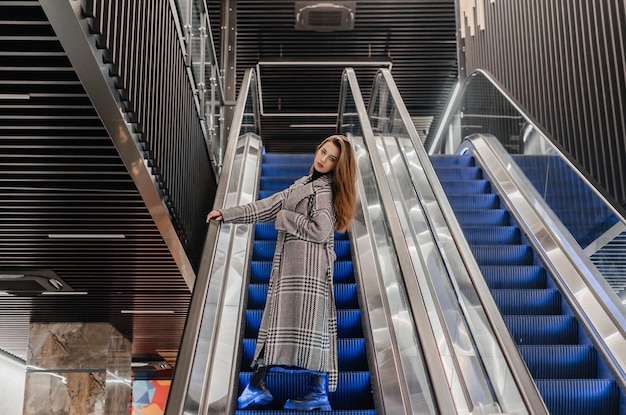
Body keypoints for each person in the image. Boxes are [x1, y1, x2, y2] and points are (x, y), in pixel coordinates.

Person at [206, 134, 357, 411]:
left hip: (307, 271)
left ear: (338, 165)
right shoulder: (304, 183)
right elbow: (266, 206)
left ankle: (266, 386)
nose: (323, 159)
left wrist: (285, 217)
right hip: (297, 268)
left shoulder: (323, 190)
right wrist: (227, 214)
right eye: (322, 151)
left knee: (295, 327)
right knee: (298, 327)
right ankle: (292, 389)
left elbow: (321, 230)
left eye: (331, 158)